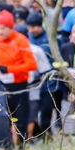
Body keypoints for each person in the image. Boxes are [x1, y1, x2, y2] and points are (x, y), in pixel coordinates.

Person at [0, 10, 38, 143]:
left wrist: (11, 69)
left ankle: (22, 145)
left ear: (11, 27)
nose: (0, 32)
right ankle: (6, 145)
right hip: (2, 85)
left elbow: (32, 64)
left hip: (19, 85)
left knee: (21, 119)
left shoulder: (21, 40)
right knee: (4, 117)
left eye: (3, 28)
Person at [26, 12, 62, 140]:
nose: (32, 30)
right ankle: (37, 138)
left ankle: (48, 139)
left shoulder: (51, 38)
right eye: (29, 27)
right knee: (32, 116)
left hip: (49, 84)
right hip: (32, 85)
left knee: (46, 116)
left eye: (34, 26)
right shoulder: (27, 38)